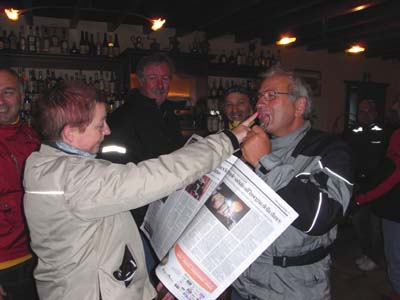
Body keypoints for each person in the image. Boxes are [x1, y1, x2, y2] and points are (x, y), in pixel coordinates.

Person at [22, 80, 256, 300]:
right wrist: (228, 140)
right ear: (70, 133)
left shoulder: (55, 167)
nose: (107, 130)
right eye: (100, 124)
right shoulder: (75, 181)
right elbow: (158, 175)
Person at [232, 68, 353, 300]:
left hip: (293, 288)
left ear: (299, 106)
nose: (259, 103)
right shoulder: (247, 147)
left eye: (271, 95)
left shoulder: (329, 149)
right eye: (259, 96)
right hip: (242, 283)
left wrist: (265, 161)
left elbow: (322, 216)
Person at [0, 68, 40, 300]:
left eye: (8, 92)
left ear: (22, 96)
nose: (1, 101)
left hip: (36, 257)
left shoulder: (33, 137)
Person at [356, 98, 400, 300]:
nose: (393, 107)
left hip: (391, 204)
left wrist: (362, 198)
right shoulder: (356, 129)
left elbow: (391, 176)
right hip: (369, 187)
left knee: (394, 253)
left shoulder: (389, 132)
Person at [343, 99, 388, 271]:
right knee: (360, 223)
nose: (365, 115)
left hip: (377, 186)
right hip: (357, 184)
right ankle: (367, 252)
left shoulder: (384, 132)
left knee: (375, 226)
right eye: (361, 111)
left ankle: (375, 257)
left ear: (375, 113)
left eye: (368, 111)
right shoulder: (351, 132)